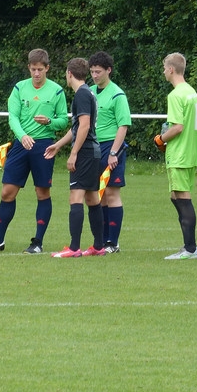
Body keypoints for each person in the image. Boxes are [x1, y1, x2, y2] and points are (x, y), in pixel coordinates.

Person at [0, 49, 68, 254]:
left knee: (42, 192)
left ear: (47, 68)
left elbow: (64, 120)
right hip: (21, 144)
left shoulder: (56, 91)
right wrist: (22, 136)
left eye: (40, 69)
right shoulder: (19, 88)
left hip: (44, 146)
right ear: (28, 67)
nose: (36, 73)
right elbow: (13, 117)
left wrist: (50, 121)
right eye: (33, 69)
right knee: (7, 192)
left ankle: (37, 242)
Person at [45, 58, 107, 258]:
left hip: (85, 153)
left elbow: (84, 126)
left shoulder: (81, 94)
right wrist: (59, 145)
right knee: (92, 198)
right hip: (93, 151)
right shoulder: (88, 92)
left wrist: (73, 154)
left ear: (69, 73)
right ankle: (98, 246)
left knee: (76, 197)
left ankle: (74, 248)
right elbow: (77, 127)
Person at [156, 53, 197, 260]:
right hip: (191, 152)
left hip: (180, 153)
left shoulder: (175, 95)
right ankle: (189, 246)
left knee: (183, 198)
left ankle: (190, 249)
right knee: (176, 196)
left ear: (171, 69)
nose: (163, 72)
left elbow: (177, 127)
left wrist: (160, 139)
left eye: (164, 68)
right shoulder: (191, 92)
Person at [88, 51, 131, 254]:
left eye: (98, 71)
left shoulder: (117, 94)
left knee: (112, 194)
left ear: (108, 70)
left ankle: (113, 242)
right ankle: (104, 240)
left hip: (111, 147)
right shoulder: (89, 92)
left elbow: (123, 125)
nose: (95, 75)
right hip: (94, 148)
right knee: (100, 195)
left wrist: (114, 152)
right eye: (92, 71)